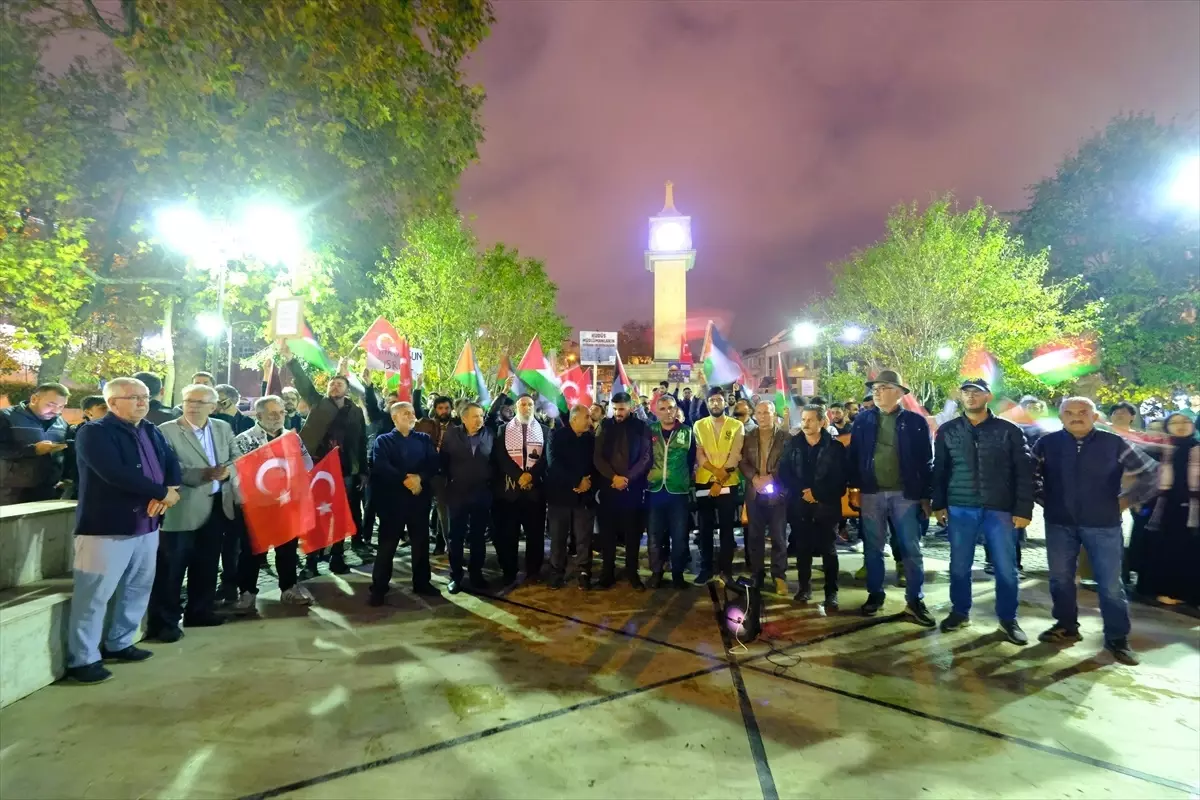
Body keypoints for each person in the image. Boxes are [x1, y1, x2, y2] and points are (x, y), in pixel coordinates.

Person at [67, 377, 181, 683]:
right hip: (106, 528)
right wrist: (160, 493)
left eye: (144, 397)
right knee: (93, 595)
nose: (143, 402)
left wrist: (171, 488)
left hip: (147, 525)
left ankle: (121, 641)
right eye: (134, 397)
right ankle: (83, 659)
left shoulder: (150, 429)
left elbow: (172, 462)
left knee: (138, 587)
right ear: (112, 403)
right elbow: (114, 474)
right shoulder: (94, 432)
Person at [1033, 397, 1158, 665]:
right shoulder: (1047, 443)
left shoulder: (1114, 443)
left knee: (1111, 585)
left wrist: (1126, 500)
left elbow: (1151, 473)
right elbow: (1029, 475)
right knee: (1060, 579)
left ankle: (1116, 638)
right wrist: (1045, 498)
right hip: (1059, 522)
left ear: (1095, 416)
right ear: (1061, 417)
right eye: (1069, 412)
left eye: (1083, 412)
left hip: (1104, 523)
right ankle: (1066, 625)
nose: (1076, 417)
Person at [931, 379, 1033, 645]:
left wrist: (1024, 509)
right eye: (966, 392)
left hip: (1000, 508)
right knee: (959, 566)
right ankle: (960, 611)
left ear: (988, 396)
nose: (971, 397)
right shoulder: (948, 430)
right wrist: (938, 504)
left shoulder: (1009, 430)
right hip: (960, 507)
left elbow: (1024, 472)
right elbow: (940, 469)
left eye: (977, 392)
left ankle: (1008, 619)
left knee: (1005, 568)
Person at [847, 370, 934, 625]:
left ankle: (915, 600)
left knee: (910, 548)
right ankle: (875, 594)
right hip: (872, 493)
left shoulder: (916, 422)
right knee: (873, 548)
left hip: (905, 495)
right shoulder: (863, 420)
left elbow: (925, 462)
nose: (876, 391)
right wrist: (854, 488)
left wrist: (924, 497)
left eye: (883, 387)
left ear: (898, 393)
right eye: (874, 387)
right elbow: (854, 455)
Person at [150, 384, 236, 638]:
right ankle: (164, 623)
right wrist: (203, 474)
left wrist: (228, 470)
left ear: (213, 406)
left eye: (200, 402)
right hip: (183, 507)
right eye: (189, 401)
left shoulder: (223, 427)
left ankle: (200, 613)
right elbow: (167, 466)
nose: (193, 406)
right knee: (171, 568)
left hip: (217, 505)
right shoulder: (166, 431)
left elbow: (236, 455)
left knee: (207, 564)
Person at [282, 344, 367, 576]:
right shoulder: (319, 403)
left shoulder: (355, 412)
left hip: (346, 470)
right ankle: (311, 561)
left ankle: (337, 557)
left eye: (339, 383)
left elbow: (361, 442)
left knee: (341, 514)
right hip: (318, 468)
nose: (334, 386)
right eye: (331, 383)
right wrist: (290, 359)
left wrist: (363, 471)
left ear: (347, 390)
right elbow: (303, 383)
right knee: (316, 514)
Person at [232, 395, 314, 607]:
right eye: (272, 414)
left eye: (281, 413)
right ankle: (247, 592)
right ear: (259, 416)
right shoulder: (244, 440)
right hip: (255, 506)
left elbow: (307, 464)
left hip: (286, 504)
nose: (278, 417)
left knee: (287, 549)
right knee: (251, 551)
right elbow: (237, 473)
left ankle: (288, 588)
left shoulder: (293, 439)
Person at [370, 401, 439, 603]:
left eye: (412, 413)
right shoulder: (383, 441)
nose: (410, 416)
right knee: (387, 546)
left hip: (419, 500)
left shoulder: (424, 439)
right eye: (405, 413)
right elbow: (381, 465)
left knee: (420, 544)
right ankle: (379, 588)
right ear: (394, 418)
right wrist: (406, 479)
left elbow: (434, 463)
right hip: (393, 502)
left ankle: (422, 583)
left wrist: (420, 478)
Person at [778, 405, 848, 606]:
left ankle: (831, 593)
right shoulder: (792, 445)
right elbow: (785, 473)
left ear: (821, 422)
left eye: (810, 420)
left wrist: (817, 494)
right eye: (804, 419)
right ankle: (804, 588)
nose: (806, 424)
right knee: (803, 549)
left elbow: (840, 479)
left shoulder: (835, 448)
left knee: (828, 550)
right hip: (800, 505)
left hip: (826, 506)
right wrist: (803, 493)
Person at [1136, 412, 1199, 606]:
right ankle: (1166, 589)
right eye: (1175, 422)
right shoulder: (1157, 449)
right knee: (1165, 549)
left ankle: (1191, 593)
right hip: (1163, 507)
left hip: (1194, 507)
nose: (1181, 426)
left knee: (1193, 551)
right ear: (1167, 426)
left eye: (1185, 421)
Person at [593, 392, 651, 590]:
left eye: (622, 409)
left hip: (632, 490)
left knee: (632, 535)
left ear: (630, 407)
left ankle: (632, 573)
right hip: (609, 489)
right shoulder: (605, 425)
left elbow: (645, 457)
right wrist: (613, 477)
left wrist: (627, 479)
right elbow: (598, 457)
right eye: (615, 409)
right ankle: (606, 574)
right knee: (607, 535)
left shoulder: (641, 427)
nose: (618, 413)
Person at [494, 394, 550, 585]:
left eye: (530, 404)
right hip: (510, 492)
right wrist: (519, 476)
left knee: (535, 534)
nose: (526, 408)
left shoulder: (544, 430)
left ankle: (533, 571)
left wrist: (531, 476)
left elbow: (545, 459)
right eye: (523, 404)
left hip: (535, 491)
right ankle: (509, 571)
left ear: (534, 407)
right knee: (509, 534)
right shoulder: (503, 430)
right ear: (517, 407)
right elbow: (501, 457)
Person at [692, 387, 745, 584]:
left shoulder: (736, 425)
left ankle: (726, 570)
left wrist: (720, 479)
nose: (715, 403)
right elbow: (699, 453)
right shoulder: (699, 425)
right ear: (707, 403)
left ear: (725, 402)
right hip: (704, 481)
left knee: (726, 528)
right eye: (712, 400)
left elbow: (735, 454)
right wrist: (714, 475)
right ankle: (706, 568)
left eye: (719, 400)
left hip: (728, 482)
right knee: (704, 528)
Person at [440, 402, 495, 593]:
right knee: (456, 537)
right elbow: (443, 462)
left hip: (482, 493)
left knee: (478, 537)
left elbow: (495, 462)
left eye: (481, 415)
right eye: (475, 416)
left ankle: (476, 574)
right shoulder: (451, 434)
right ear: (464, 418)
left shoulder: (490, 433)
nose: (479, 419)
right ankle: (455, 576)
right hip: (457, 494)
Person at [740, 401, 792, 595]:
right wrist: (754, 478)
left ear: (774, 414)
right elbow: (742, 461)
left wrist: (771, 477)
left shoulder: (785, 437)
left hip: (777, 492)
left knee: (779, 536)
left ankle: (779, 576)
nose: (762, 416)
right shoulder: (748, 436)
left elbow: (787, 462)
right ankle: (757, 575)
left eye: (766, 412)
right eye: (759, 413)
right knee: (755, 537)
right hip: (755, 493)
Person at [645, 394, 695, 590]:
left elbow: (691, 460)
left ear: (676, 410)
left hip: (678, 492)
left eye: (671, 408)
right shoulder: (649, 431)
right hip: (655, 490)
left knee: (680, 536)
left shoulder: (687, 432)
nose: (667, 412)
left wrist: (683, 478)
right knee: (655, 535)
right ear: (657, 411)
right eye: (663, 408)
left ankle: (678, 574)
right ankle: (657, 573)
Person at [546, 404, 598, 589]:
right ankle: (556, 572)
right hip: (560, 497)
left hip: (584, 497)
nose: (589, 421)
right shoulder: (556, 436)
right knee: (559, 538)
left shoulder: (590, 439)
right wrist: (577, 481)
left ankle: (584, 572)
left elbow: (595, 464)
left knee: (584, 538)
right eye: (587, 417)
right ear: (574, 419)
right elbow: (554, 464)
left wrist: (588, 484)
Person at [0, 382, 70, 505]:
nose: (56, 411)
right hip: (12, 490)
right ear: (34, 399)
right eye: (51, 404)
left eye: (61, 406)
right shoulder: (6, 416)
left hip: (49, 489)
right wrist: (33, 450)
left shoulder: (62, 423)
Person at [415, 394, 455, 555]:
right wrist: (417, 390)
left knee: (444, 515)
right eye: (440, 408)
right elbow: (416, 409)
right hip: (425, 474)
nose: (444, 411)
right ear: (435, 409)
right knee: (423, 513)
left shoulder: (457, 427)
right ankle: (424, 549)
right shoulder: (427, 424)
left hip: (444, 475)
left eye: (447, 408)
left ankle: (450, 549)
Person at [60, 395, 108, 500]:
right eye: (103, 408)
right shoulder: (73, 432)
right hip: (82, 486)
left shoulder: (118, 431)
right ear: (88, 412)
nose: (109, 411)